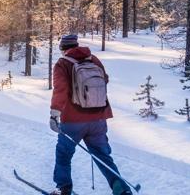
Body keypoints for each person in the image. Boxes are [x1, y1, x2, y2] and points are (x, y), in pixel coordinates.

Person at [49, 34, 132, 195]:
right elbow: (105, 79)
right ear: (76, 44)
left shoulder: (62, 64)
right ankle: (121, 189)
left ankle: (63, 189)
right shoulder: (93, 59)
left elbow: (60, 90)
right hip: (98, 118)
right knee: (103, 157)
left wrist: (54, 115)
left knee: (63, 155)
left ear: (62, 49)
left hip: (73, 121)